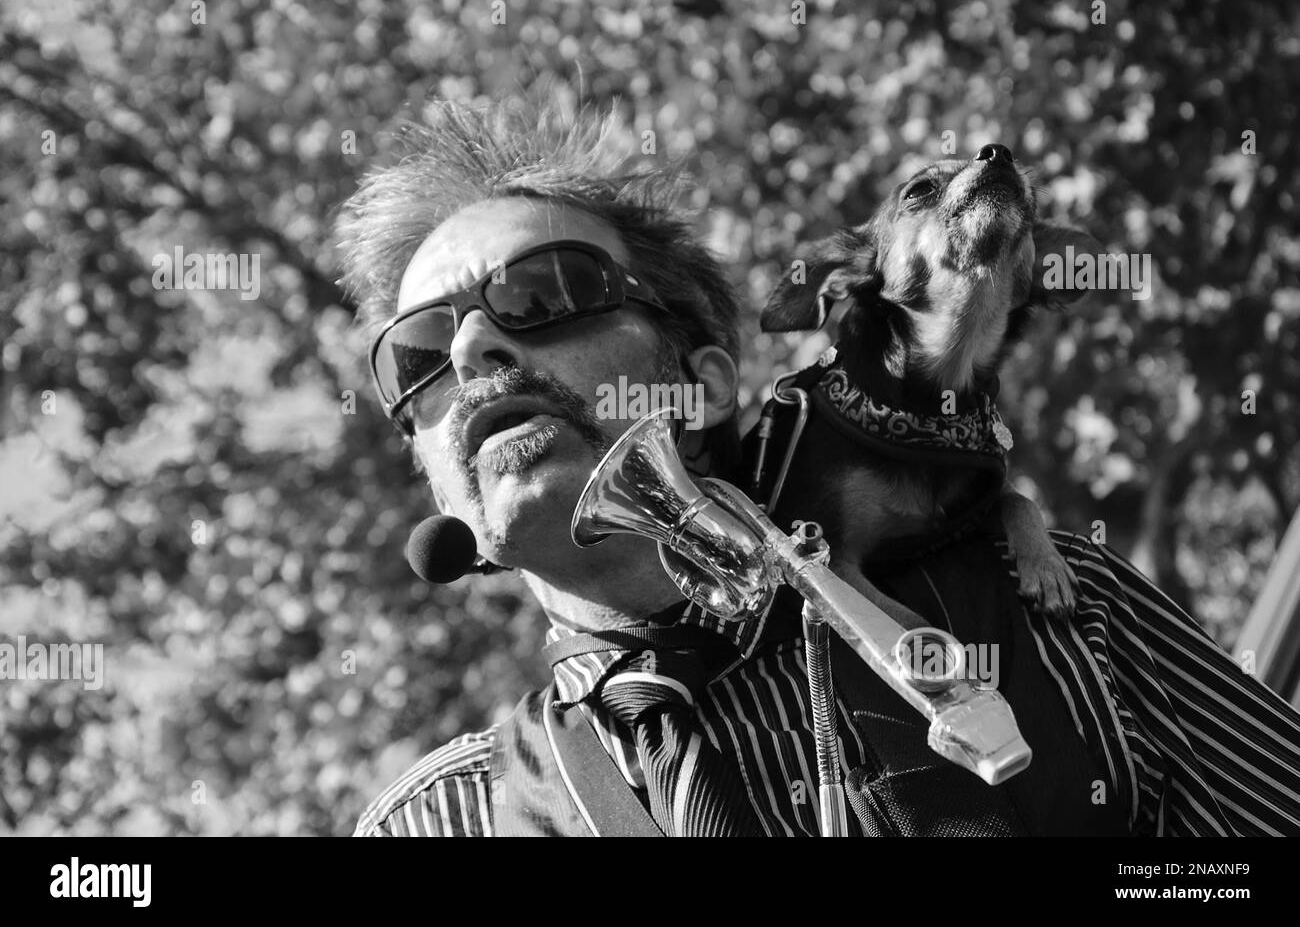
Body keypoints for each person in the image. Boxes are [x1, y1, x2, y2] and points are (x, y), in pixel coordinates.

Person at [335, 97, 1300, 837]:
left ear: (705, 382)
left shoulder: (1070, 615)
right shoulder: (438, 821)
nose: (470, 356)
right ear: (428, 466)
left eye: (544, 294)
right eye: (418, 353)